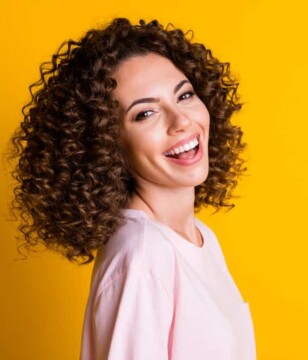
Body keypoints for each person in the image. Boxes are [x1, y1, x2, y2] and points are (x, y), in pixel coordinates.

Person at [10, 18, 256, 359]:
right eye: (145, 114)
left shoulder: (200, 237)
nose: (182, 120)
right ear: (107, 145)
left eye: (184, 94)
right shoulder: (143, 257)